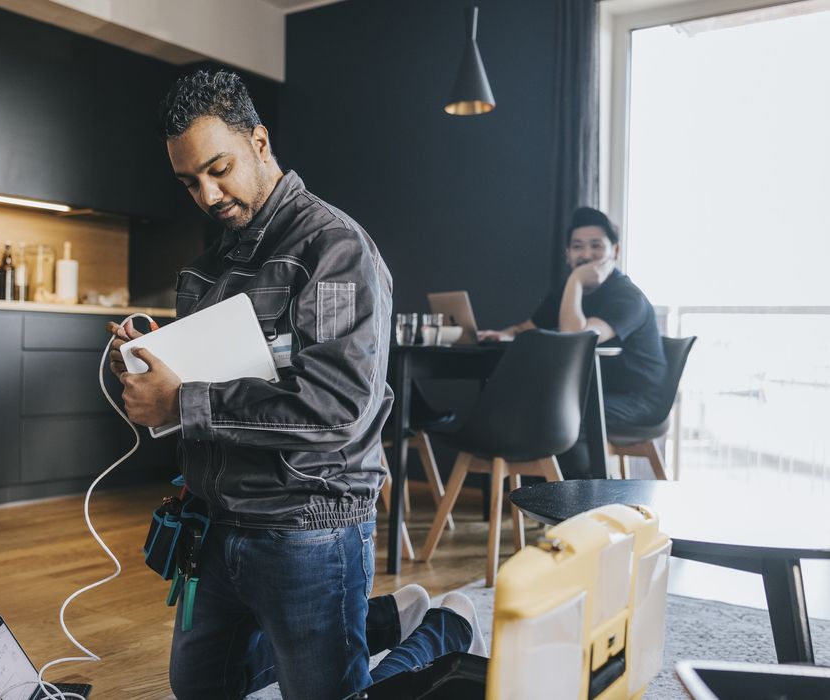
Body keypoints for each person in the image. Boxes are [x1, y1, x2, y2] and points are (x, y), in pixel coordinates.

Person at [105, 69, 483, 699]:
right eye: (189, 181)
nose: (207, 194)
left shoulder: (334, 250)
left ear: (259, 141)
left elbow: (336, 408)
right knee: (201, 689)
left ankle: (438, 631)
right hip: (216, 523)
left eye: (218, 167)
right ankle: (376, 622)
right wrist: (153, 367)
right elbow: (211, 400)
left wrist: (182, 399)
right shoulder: (207, 270)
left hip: (309, 525)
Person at [478, 206, 667, 477]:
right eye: (577, 247)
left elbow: (575, 339)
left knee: (565, 415)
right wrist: (505, 334)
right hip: (594, 394)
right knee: (546, 407)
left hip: (639, 400)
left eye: (596, 246)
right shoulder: (568, 292)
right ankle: (561, 499)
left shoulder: (627, 297)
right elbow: (526, 327)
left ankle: (591, 502)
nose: (586, 255)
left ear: (615, 252)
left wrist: (577, 280)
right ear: (568, 254)